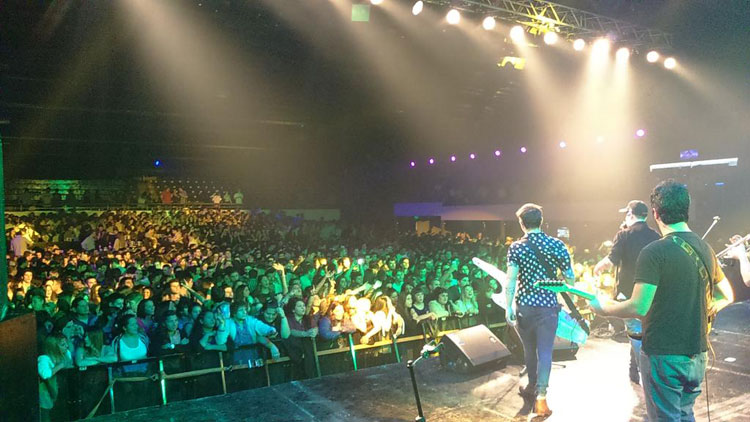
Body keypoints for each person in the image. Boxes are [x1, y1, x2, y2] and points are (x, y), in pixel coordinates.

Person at [590, 180, 734, 422]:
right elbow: (727, 295)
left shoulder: (654, 251)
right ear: (687, 209)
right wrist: (711, 307)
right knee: (685, 414)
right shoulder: (705, 247)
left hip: (664, 355)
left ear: (655, 213)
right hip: (697, 354)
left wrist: (604, 308)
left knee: (665, 417)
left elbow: (639, 306)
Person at [505, 203, 574, 420]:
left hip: (525, 306)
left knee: (529, 349)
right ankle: (541, 397)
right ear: (541, 221)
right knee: (545, 352)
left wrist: (508, 306)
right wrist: (561, 292)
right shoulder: (556, 244)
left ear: (521, 223)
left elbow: (510, 280)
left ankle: (532, 385)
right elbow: (570, 277)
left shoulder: (516, 247)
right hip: (548, 307)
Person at [593, 200, 660, 384]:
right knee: (641, 332)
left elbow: (612, 260)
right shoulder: (655, 236)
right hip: (650, 291)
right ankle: (634, 369)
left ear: (630, 214)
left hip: (627, 292)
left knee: (636, 333)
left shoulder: (623, 235)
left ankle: (646, 376)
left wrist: (598, 267)